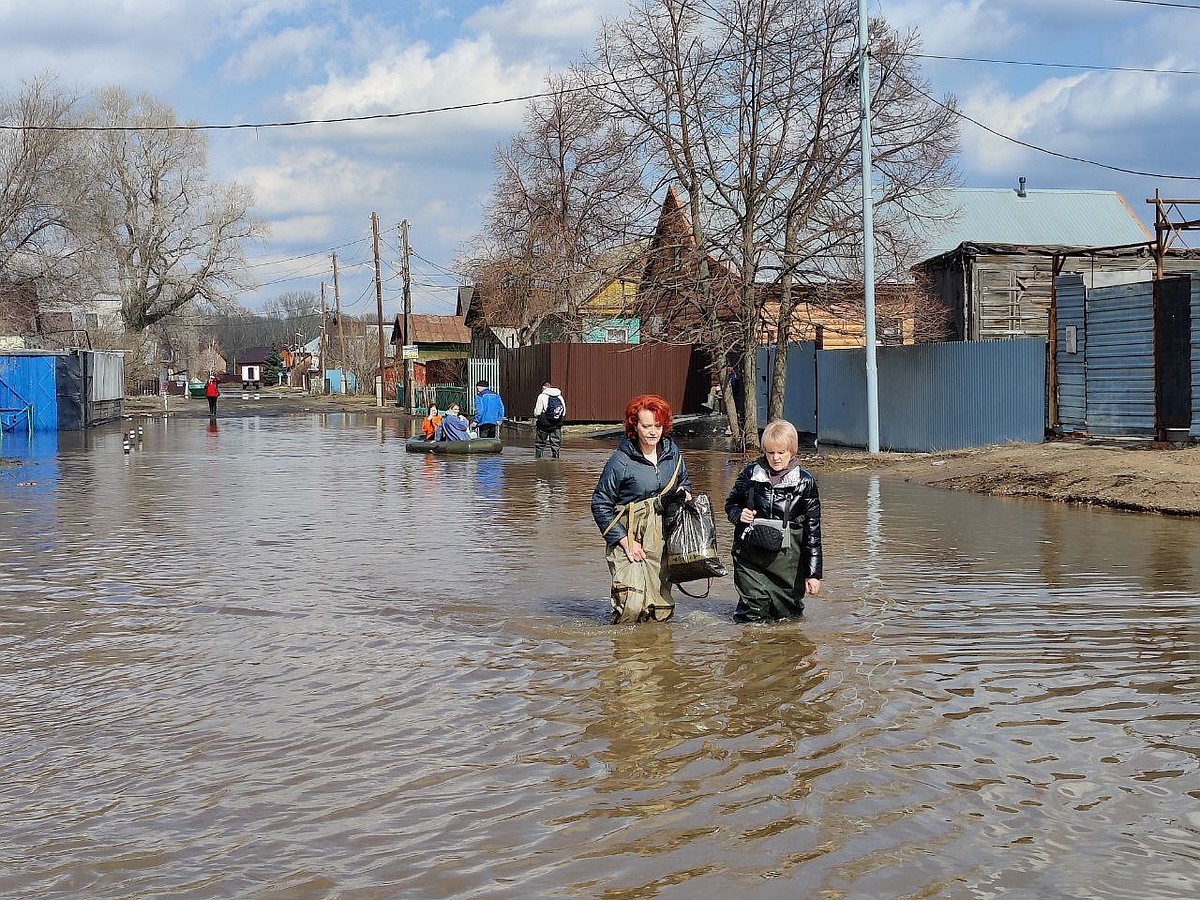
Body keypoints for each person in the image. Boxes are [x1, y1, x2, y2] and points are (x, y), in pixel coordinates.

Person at [591, 394, 692, 624]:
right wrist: (625, 542)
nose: (652, 432)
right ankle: (624, 653)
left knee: (659, 608)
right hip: (629, 537)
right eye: (646, 426)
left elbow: (684, 481)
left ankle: (658, 656)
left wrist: (684, 492)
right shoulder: (619, 461)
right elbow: (600, 503)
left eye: (658, 426)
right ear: (634, 426)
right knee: (631, 603)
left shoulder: (673, 454)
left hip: (662, 539)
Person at [724, 418, 822, 622]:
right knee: (753, 612)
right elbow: (730, 505)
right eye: (770, 453)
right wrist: (739, 515)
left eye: (781, 452)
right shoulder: (750, 474)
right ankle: (750, 650)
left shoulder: (805, 482)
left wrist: (813, 574)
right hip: (750, 556)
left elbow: (813, 531)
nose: (776, 458)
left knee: (787, 616)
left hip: (787, 561)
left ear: (792, 451)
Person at [532, 380, 566, 458]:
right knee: (555, 443)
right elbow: (563, 412)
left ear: (543, 388)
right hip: (557, 423)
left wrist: (536, 417)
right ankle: (556, 460)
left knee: (540, 443)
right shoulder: (559, 396)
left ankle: (538, 461)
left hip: (544, 423)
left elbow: (537, 411)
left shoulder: (541, 396)